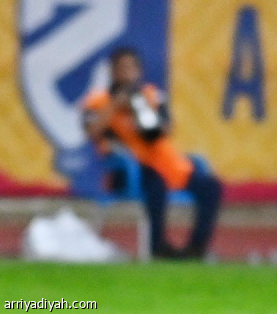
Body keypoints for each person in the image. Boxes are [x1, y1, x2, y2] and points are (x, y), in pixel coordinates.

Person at [83, 48, 222, 259]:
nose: (126, 73)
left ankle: (196, 250)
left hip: (166, 165)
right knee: (156, 184)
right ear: (112, 72)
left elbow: (161, 131)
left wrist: (139, 108)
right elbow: (91, 132)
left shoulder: (151, 96)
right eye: (121, 68)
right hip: (129, 170)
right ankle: (158, 247)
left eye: (131, 68)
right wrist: (115, 105)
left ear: (139, 71)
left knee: (211, 187)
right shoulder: (98, 101)